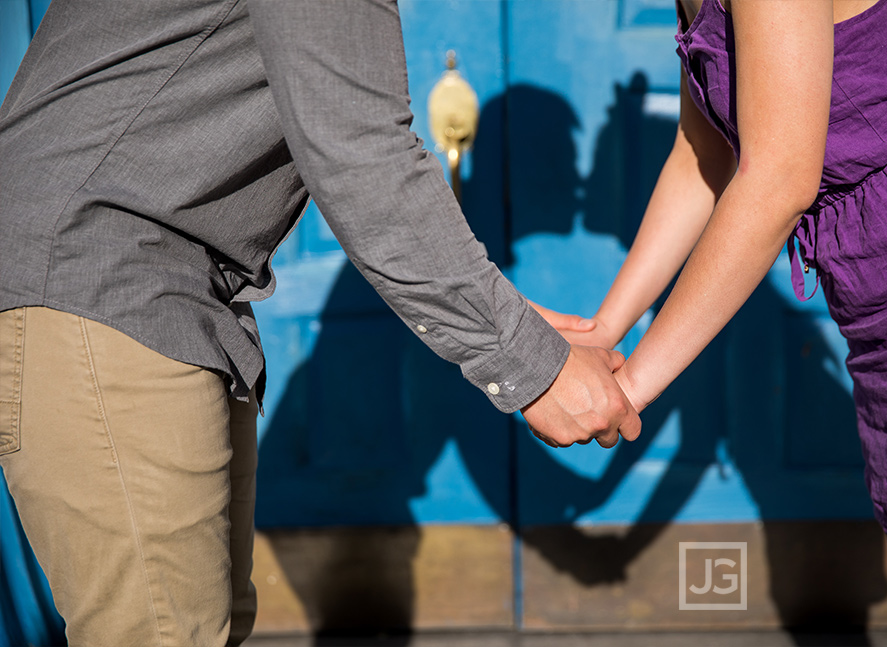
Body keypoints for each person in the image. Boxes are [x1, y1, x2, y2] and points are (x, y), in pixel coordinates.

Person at [0, 0, 643, 644]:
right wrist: (528, 364)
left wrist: (518, 324)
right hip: (99, 272)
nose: (579, 175)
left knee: (203, 625)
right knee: (166, 633)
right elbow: (361, 154)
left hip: (155, 283)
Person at [535, 0, 887, 644]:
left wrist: (627, 391)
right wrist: (605, 327)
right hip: (883, 295)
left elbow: (777, 178)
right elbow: (704, 153)